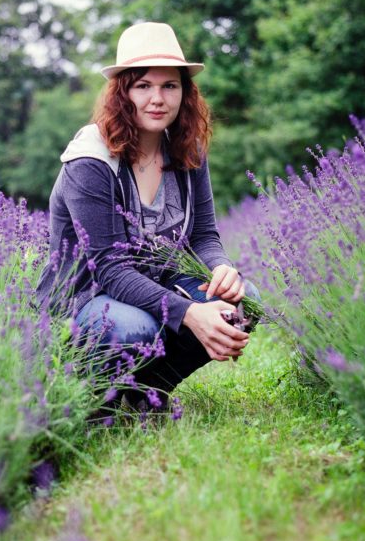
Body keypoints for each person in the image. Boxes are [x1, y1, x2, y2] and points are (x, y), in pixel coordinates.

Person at [36, 21, 259, 408]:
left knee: (244, 302)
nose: (158, 99)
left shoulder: (187, 148)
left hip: (157, 281)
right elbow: (110, 269)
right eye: (143, 86)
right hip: (89, 294)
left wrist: (221, 267)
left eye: (169, 86)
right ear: (122, 92)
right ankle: (89, 396)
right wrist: (190, 313)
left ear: (184, 93)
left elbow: (203, 236)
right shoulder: (91, 159)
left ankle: (148, 392)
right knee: (136, 328)